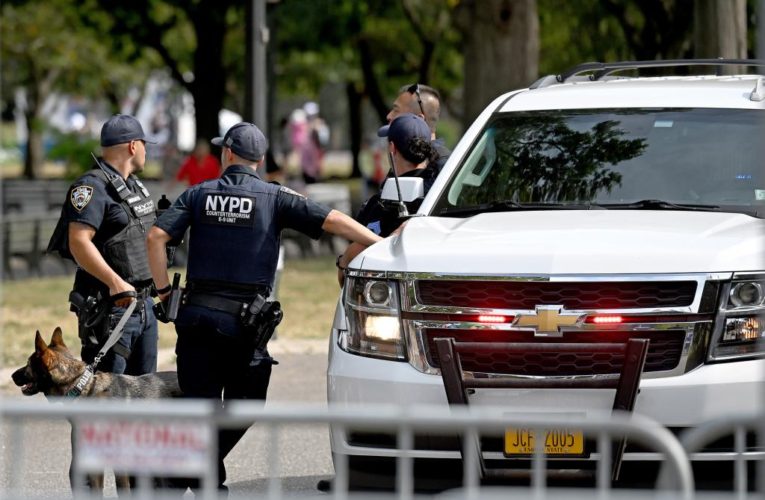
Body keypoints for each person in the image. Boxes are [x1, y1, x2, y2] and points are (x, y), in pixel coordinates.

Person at [146, 122, 382, 492]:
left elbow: (156, 236)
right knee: (248, 405)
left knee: (200, 409)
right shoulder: (274, 197)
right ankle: (196, 476)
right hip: (243, 327)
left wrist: (163, 292)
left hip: (195, 321)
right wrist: (379, 242)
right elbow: (333, 220)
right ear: (259, 160)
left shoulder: (199, 193)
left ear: (227, 153)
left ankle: (188, 474)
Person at [47, 113, 159, 492]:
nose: (147, 151)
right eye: (145, 144)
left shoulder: (134, 187)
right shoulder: (92, 187)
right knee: (98, 408)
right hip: (111, 312)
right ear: (133, 146)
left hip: (142, 309)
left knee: (141, 403)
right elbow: (79, 241)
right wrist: (115, 283)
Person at [336, 113, 436, 285]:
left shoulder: (379, 205)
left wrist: (343, 261)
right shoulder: (443, 195)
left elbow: (349, 272)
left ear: (392, 148)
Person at [385, 83, 451, 189]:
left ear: (419, 118)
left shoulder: (444, 167)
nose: (389, 116)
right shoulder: (403, 156)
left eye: (396, 110)